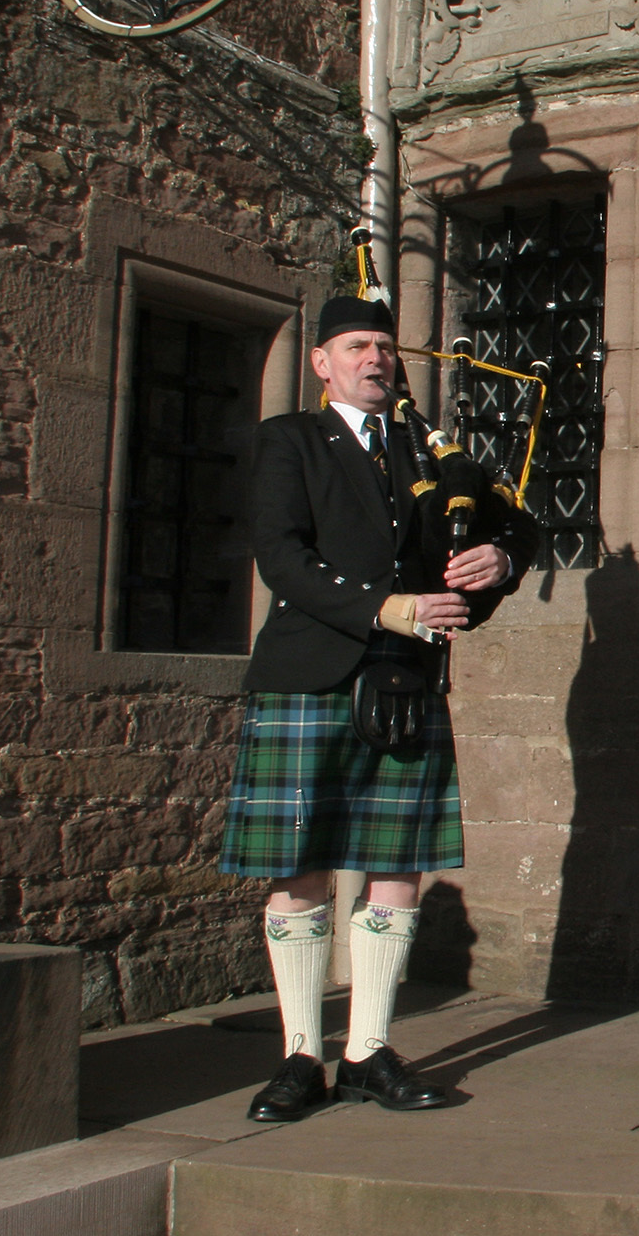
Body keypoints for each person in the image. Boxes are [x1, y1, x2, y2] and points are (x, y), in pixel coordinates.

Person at [220, 294, 532, 1122]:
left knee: (396, 867)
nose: (376, 358)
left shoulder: (431, 447)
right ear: (322, 362)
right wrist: (386, 607)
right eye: (357, 345)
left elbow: (514, 526)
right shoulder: (290, 440)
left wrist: (499, 558)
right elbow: (281, 556)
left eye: (385, 347)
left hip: (403, 680)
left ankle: (366, 1052)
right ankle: (299, 1056)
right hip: (311, 677)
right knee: (301, 867)